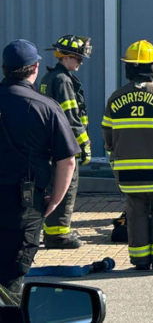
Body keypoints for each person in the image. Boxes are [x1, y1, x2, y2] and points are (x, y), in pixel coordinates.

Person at [0, 40, 78, 302]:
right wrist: (55, 200)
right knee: (10, 281)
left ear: (5, 68)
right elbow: (67, 161)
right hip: (25, 206)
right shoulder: (46, 107)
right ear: (34, 68)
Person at [101, 40, 153, 271]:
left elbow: (107, 135)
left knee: (135, 213)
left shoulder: (116, 98)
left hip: (127, 173)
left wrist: (116, 156)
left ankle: (139, 259)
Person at [37, 35, 93, 249]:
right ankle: (58, 235)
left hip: (51, 144)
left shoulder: (50, 78)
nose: (80, 62)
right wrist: (84, 144)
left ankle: (55, 230)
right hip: (64, 144)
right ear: (67, 57)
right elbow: (70, 116)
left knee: (54, 186)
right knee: (67, 186)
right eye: (78, 59)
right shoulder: (62, 80)